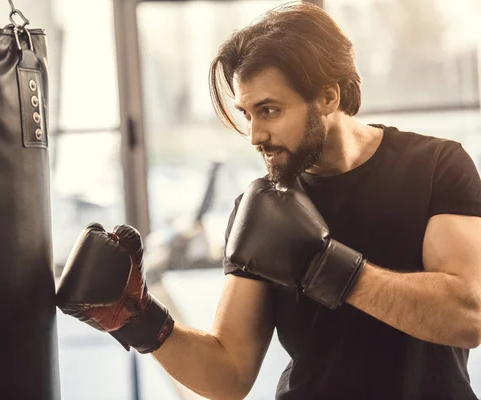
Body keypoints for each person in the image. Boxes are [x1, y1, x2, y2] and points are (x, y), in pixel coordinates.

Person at [55, 3, 481, 399]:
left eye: (270, 110)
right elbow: (228, 373)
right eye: (247, 114)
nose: (255, 135)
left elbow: (468, 315)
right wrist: (138, 319)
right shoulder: (263, 208)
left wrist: (325, 266)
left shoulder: (437, 167)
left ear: (328, 97)